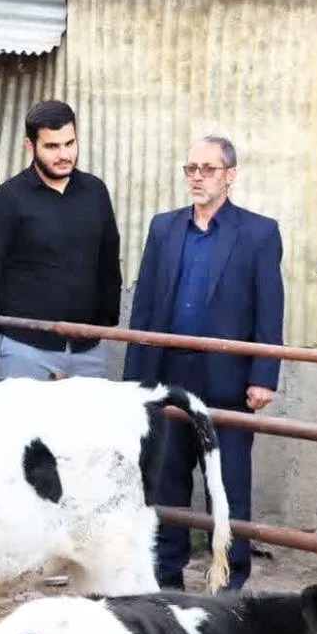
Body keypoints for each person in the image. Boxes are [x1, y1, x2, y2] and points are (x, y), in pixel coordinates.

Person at [123, 135, 283, 591]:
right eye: (191, 168)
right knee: (167, 481)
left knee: (227, 484)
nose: (197, 176)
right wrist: (137, 379)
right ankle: (166, 579)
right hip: (171, 374)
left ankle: (228, 584)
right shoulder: (164, 228)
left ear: (229, 176)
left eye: (208, 169)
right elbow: (146, 307)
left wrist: (264, 375)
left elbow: (269, 307)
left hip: (227, 380)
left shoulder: (258, 233)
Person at [0, 100, 122, 379]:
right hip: (23, 349)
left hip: (87, 349)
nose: (64, 154)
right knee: (25, 425)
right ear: (30, 146)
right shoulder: (6, 200)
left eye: (70, 143)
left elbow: (108, 259)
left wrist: (105, 322)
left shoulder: (95, 192)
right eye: (52, 146)